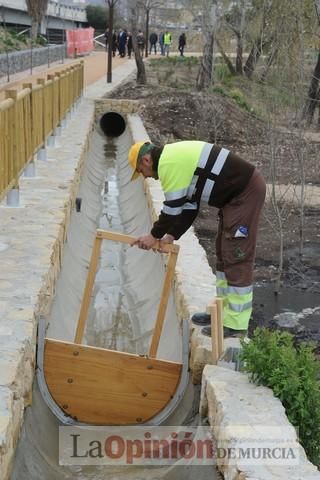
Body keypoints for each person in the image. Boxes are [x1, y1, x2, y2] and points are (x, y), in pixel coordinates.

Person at [128, 140, 266, 338]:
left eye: (141, 171)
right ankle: (222, 315)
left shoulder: (168, 163)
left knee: (236, 255)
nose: (145, 176)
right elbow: (189, 208)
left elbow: (172, 209)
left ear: (147, 160)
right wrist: (171, 236)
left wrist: (153, 236)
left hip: (245, 194)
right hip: (233, 199)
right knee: (222, 252)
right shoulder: (176, 160)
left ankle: (235, 325)